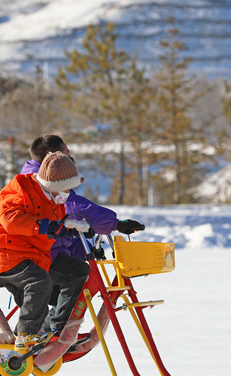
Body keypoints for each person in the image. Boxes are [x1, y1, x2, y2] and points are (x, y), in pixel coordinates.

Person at [20, 134, 144, 333]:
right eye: (67, 153)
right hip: (36, 257)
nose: (70, 158)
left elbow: (68, 222)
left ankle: (51, 332)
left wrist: (88, 247)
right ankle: (58, 331)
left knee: (74, 287)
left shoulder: (42, 176)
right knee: (77, 277)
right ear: (52, 154)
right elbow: (74, 208)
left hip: (47, 251)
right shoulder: (44, 181)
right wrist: (115, 224)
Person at [0, 151, 86, 353]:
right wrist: (43, 225)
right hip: (6, 255)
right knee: (39, 282)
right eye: (65, 189)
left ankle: (57, 329)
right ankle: (26, 335)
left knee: (75, 271)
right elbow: (10, 219)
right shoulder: (21, 192)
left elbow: (52, 227)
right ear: (51, 185)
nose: (67, 194)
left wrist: (68, 229)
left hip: (29, 256)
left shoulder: (53, 200)